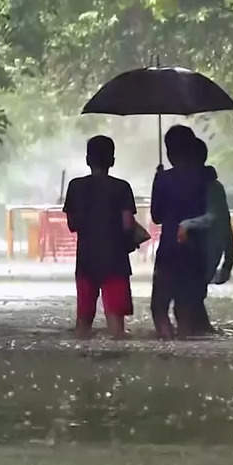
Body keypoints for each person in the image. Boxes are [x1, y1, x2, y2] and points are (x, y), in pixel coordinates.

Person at [62, 135, 137, 339]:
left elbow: (72, 224)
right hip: (115, 260)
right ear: (112, 160)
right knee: (116, 327)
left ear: (88, 159)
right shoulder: (122, 187)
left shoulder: (75, 186)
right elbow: (128, 224)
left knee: (83, 323)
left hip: (86, 259)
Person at [150, 125, 209, 339]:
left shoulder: (164, 179)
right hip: (195, 250)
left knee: (159, 308)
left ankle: (168, 346)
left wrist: (157, 180)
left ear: (169, 151)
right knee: (185, 309)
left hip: (169, 249)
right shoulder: (205, 179)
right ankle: (185, 345)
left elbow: (157, 216)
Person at [176, 138, 233, 333]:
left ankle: (197, 336)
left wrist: (228, 263)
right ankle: (202, 335)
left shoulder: (212, 187)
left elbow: (218, 218)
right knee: (190, 302)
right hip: (197, 253)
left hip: (207, 252)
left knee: (189, 301)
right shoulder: (192, 186)